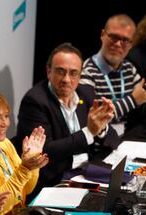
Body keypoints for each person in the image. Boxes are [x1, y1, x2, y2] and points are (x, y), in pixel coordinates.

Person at [16, 42, 119, 201]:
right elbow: (45, 151)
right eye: (60, 71)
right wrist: (89, 132)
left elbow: (112, 138)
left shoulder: (86, 93)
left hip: (86, 173)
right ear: (48, 71)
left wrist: (101, 126)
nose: (66, 79)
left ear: (80, 75)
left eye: (73, 73)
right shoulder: (35, 101)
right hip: (54, 182)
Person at [80, 14, 146, 132]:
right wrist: (133, 100)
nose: (117, 44)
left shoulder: (129, 69)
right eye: (113, 37)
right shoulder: (86, 72)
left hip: (130, 139)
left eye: (125, 40)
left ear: (131, 44)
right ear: (102, 35)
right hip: (101, 144)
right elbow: (94, 121)